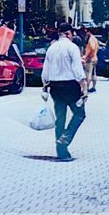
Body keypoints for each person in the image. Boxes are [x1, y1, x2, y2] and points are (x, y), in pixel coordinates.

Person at [42, 24, 88, 160]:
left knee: (60, 119)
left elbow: (46, 71)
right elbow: (77, 69)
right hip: (70, 86)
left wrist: (45, 85)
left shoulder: (51, 48)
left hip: (55, 87)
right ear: (69, 33)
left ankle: (61, 151)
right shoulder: (72, 47)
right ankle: (64, 140)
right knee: (79, 114)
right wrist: (84, 86)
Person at [81, 27, 100, 92]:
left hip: (90, 59)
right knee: (94, 73)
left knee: (88, 74)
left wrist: (87, 56)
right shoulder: (95, 39)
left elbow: (92, 48)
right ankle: (93, 87)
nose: (86, 33)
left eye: (86, 32)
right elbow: (97, 47)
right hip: (95, 58)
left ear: (89, 32)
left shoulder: (91, 39)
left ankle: (87, 87)